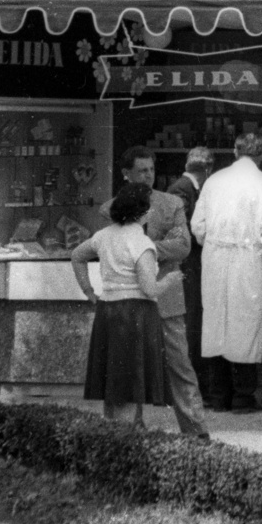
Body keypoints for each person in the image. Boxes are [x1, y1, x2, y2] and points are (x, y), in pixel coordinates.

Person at [101, 146, 209, 439]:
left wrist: (141, 249)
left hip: (166, 299)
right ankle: (125, 431)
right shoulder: (110, 209)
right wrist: (157, 247)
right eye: (141, 171)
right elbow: (111, 248)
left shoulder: (172, 203)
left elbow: (183, 246)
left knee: (180, 366)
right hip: (127, 300)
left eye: (151, 170)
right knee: (125, 368)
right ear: (126, 174)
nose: (148, 176)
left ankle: (196, 431)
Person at [191, 132, 262, 413]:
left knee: (216, 321)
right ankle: (243, 396)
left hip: (216, 257)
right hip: (250, 258)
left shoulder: (214, 181)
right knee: (248, 322)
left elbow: (197, 225)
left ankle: (218, 396)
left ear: (234, 151)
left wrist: (215, 242)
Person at [70, 181, 169, 424]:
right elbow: (149, 287)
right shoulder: (141, 243)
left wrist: (88, 290)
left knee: (114, 382)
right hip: (136, 313)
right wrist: (172, 280)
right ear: (143, 213)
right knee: (129, 383)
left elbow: (77, 256)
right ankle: (126, 439)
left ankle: (115, 433)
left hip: (108, 309)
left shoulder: (103, 235)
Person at [167, 145, 216, 403]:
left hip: (192, 266)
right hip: (187, 267)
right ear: (207, 170)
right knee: (190, 325)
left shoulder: (189, 188)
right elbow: (181, 231)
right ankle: (188, 390)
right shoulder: (181, 189)